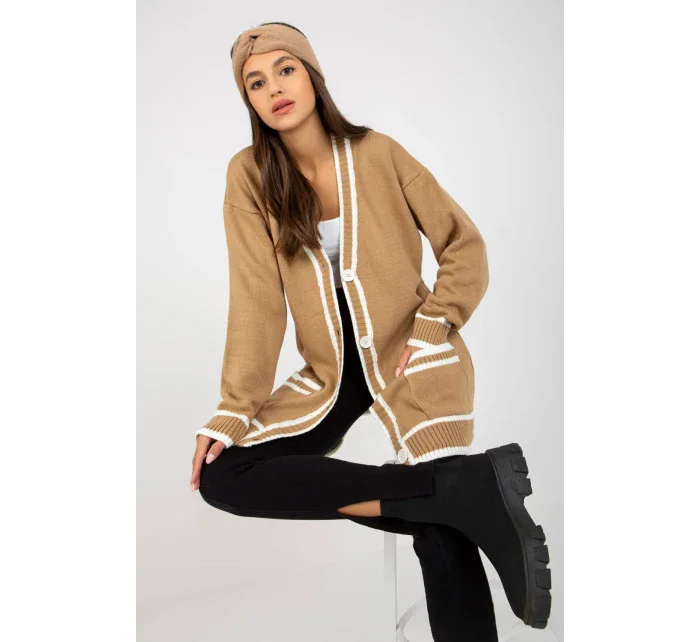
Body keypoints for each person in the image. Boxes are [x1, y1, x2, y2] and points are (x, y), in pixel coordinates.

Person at [190, 21, 552, 638]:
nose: (274, 88)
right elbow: (255, 300)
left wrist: (435, 324)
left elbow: (464, 246)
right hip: (329, 373)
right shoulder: (249, 176)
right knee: (225, 475)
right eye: (255, 82)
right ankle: (458, 489)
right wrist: (233, 411)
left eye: (285, 70)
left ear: (312, 74)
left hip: (411, 355)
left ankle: (451, 495)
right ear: (247, 100)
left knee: (440, 533)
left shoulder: (378, 153)